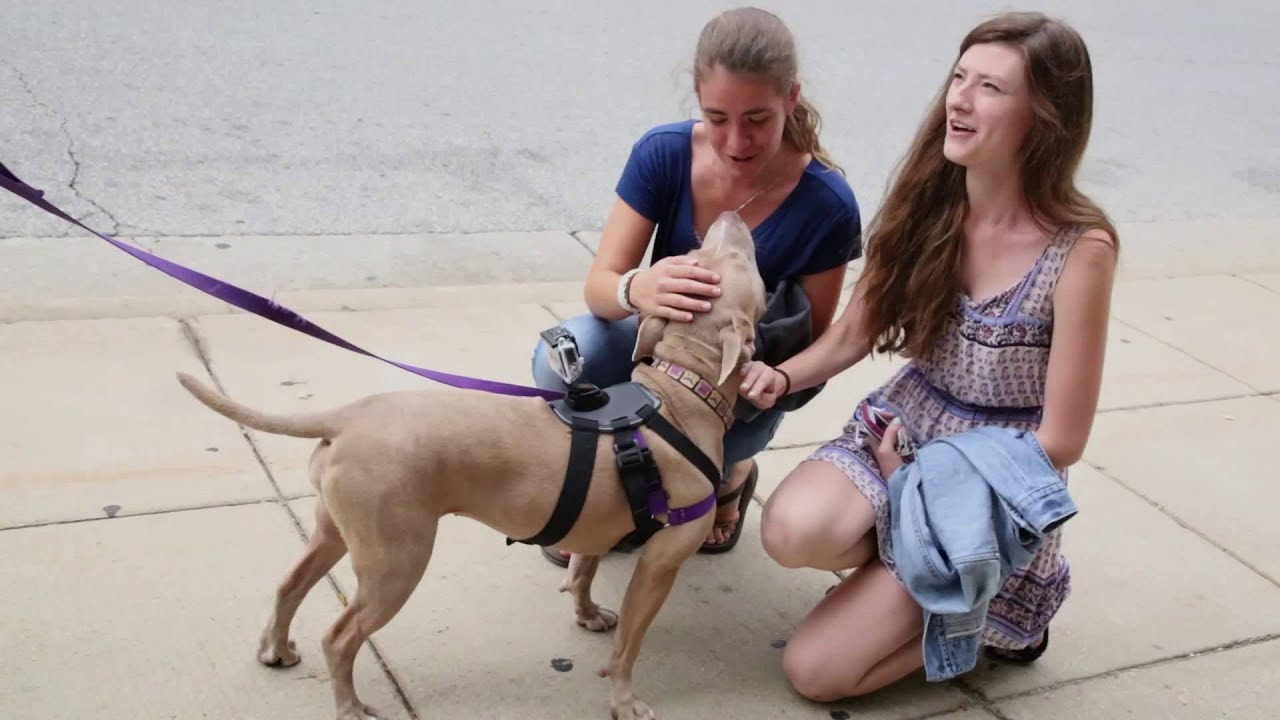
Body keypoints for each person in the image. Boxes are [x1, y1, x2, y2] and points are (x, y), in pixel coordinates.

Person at [737, 11, 1118, 700]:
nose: (960, 100)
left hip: (989, 487)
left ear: (1047, 117)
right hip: (905, 427)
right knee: (792, 529)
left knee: (814, 673)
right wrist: (781, 374)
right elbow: (857, 330)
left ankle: (992, 611)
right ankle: (904, 574)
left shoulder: (1080, 250)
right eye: (959, 78)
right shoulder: (930, 204)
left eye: (992, 89)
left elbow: (1061, 439)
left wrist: (918, 478)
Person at [530, 6, 862, 566]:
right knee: (563, 359)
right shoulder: (664, 153)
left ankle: (732, 475)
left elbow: (816, 344)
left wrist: (771, 376)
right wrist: (637, 288)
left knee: (724, 443)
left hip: (735, 379)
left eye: (757, 118)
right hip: (660, 349)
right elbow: (600, 286)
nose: (736, 140)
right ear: (697, 101)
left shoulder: (827, 203)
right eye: (717, 116)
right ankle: (599, 491)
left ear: (791, 97)